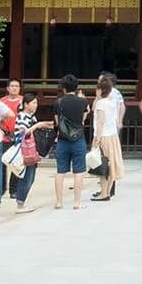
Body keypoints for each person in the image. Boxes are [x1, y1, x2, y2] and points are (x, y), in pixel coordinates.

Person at [51, 75, 89, 211]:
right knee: (78, 172)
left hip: (62, 140)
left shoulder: (58, 102)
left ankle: (59, 202)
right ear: (76, 87)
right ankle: (76, 203)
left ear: (64, 88)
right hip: (78, 139)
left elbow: (57, 122)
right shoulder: (83, 102)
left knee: (60, 171)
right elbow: (83, 118)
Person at [11, 93, 53, 212]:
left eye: (36, 103)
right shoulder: (22, 117)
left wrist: (46, 124)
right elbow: (23, 133)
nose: (36, 105)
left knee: (30, 177)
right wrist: (38, 125)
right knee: (27, 177)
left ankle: (21, 202)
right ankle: (20, 204)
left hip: (31, 149)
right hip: (25, 150)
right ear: (26, 104)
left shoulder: (31, 117)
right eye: (33, 103)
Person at [91, 75, 124, 202]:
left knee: (102, 165)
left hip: (103, 136)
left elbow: (100, 122)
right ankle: (108, 191)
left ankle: (104, 193)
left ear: (100, 90)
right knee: (111, 166)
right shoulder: (112, 102)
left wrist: (97, 140)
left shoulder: (101, 104)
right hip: (113, 136)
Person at [0, 79, 24, 203]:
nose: (14, 88)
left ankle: (14, 189)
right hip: (4, 136)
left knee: (16, 163)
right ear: (7, 88)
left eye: (17, 86)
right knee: (2, 162)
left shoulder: (23, 101)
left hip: (18, 136)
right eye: (12, 86)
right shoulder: (1, 102)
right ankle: (1, 188)